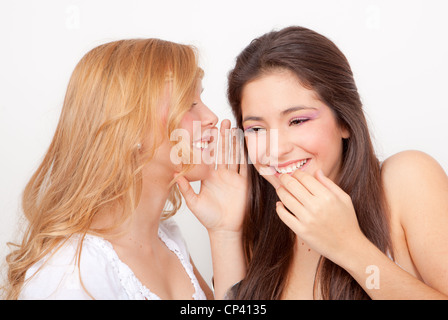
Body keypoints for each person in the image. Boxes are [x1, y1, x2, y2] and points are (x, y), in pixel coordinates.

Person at [178, 26, 448, 299]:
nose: (278, 149)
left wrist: (349, 246)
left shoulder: (406, 180)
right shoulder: (263, 220)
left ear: (344, 121)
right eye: (256, 129)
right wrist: (225, 232)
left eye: (297, 121)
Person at [4, 38, 217, 300]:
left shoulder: (167, 237)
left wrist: (226, 232)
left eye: (201, 98)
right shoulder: (69, 276)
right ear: (130, 128)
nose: (211, 117)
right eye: (189, 103)